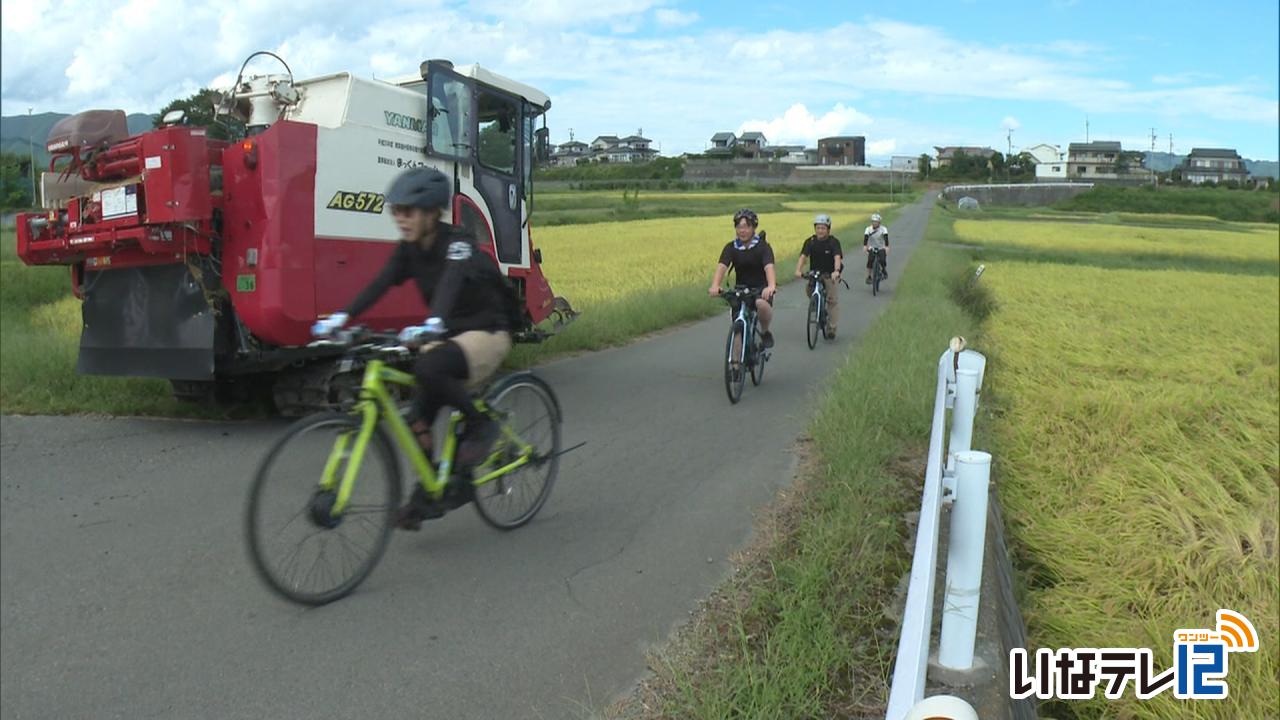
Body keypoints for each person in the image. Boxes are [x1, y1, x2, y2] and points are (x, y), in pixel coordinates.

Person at [311, 167, 520, 528]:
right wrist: (339, 318)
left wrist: (433, 322)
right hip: (448, 335)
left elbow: (451, 282)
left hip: (487, 331)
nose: (400, 219)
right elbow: (379, 285)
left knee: (430, 368)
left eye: (408, 211)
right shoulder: (408, 251)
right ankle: (433, 491)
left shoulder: (457, 244)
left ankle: (481, 423)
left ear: (430, 213)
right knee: (416, 415)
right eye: (396, 211)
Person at [708, 208, 777, 358]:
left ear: (753, 228)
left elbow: (769, 267)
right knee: (737, 329)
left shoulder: (763, 247)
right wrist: (715, 285)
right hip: (740, 290)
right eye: (739, 227)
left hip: (760, 289)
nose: (742, 230)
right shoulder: (731, 247)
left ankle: (764, 332)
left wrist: (771, 286)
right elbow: (722, 266)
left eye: (746, 226)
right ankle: (735, 366)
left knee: (762, 305)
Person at [794, 213, 843, 338]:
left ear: (828, 229)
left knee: (832, 300)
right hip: (814, 273)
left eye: (823, 228)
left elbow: (837, 257)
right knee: (809, 290)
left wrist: (836, 271)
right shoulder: (810, 242)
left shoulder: (833, 242)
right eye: (818, 228)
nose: (820, 231)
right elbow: (803, 257)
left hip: (829, 274)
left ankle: (831, 328)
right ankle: (816, 304)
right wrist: (798, 270)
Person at [863, 212, 889, 284]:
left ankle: (883, 270)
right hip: (872, 247)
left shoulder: (883, 229)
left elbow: (886, 238)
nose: (874, 223)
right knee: (870, 261)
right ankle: (869, 276)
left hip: (881, 247)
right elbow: (866, 238)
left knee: (883, 260)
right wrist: (865, 246)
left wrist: (887, 247)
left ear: (879, 222)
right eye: (873, 222)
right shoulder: (868, 229)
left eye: (876, 222)